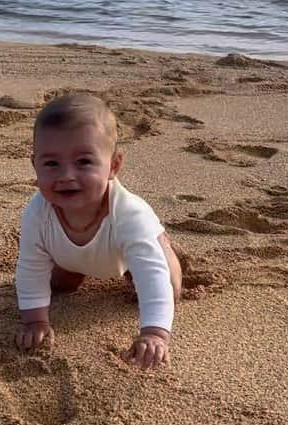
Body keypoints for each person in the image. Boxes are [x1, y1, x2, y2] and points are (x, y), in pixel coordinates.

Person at [14, 92, 182, 370]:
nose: (66, 175)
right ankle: (77, 267)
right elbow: (31, 266)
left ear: (113, 166)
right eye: (51, 164)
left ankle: (162, 242)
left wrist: (155, 333)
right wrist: (35, 321)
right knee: (57, 286)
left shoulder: (130, 215)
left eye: (84, 162)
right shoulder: (37, 211)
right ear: (35, 165)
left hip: (123, 249)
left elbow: (152, 278)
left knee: (169, 288)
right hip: (70, 254)